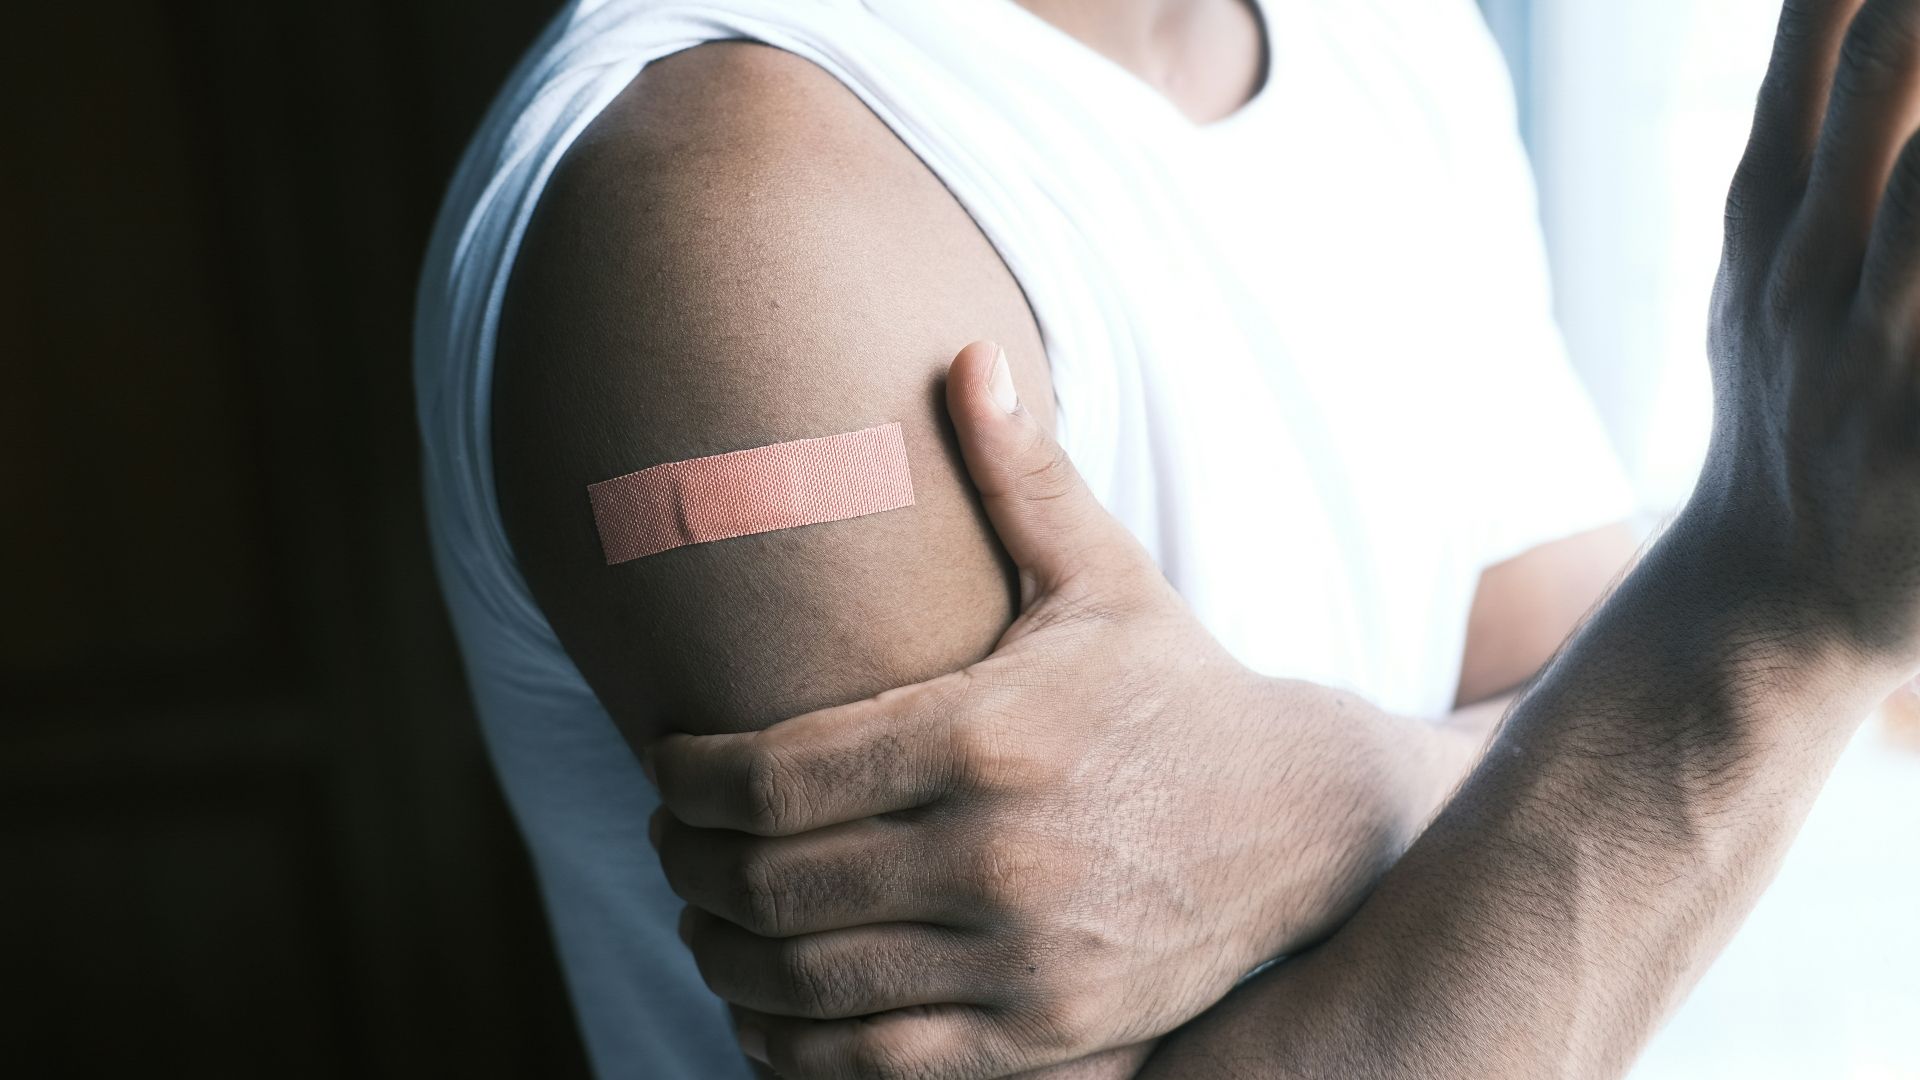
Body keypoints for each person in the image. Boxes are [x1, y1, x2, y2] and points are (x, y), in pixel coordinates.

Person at [415, 0, 1912, 1075]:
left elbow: (1568, 679)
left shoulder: (1388, 35)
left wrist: (1333, 791)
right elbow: (1607, 727)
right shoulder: (745, 213)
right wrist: (1782, 611)